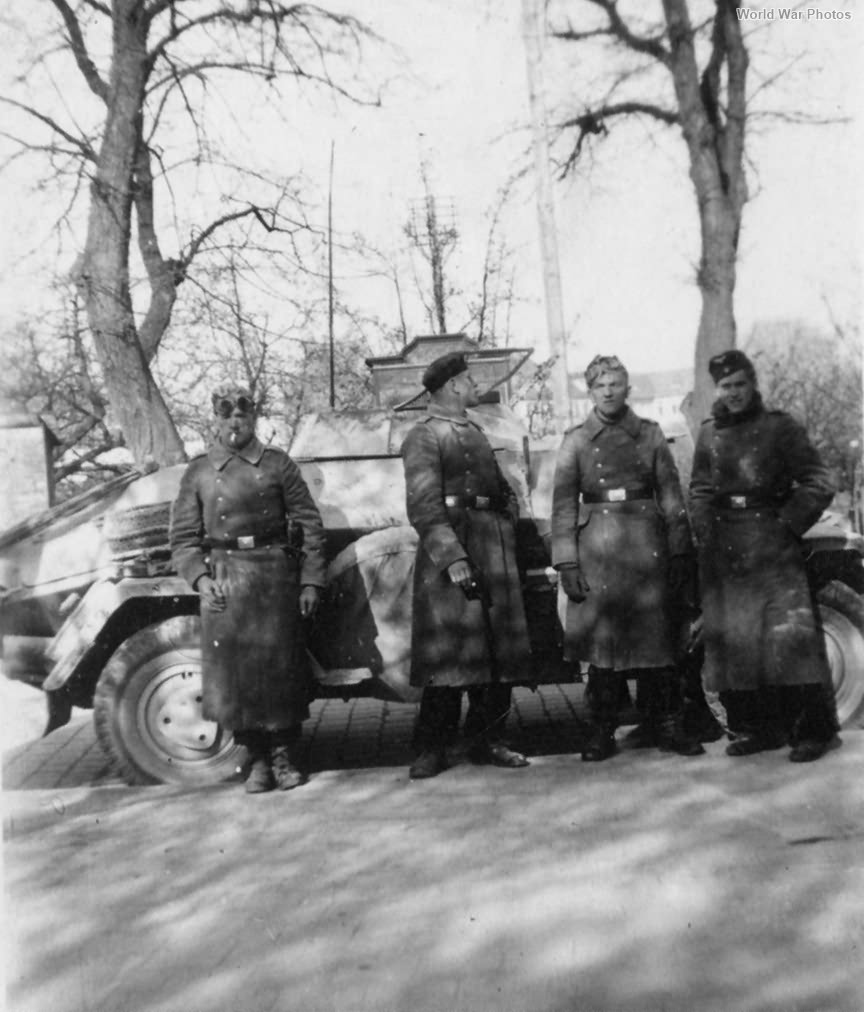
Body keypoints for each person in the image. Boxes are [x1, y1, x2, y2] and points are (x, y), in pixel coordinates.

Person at [170, 386, 326, 793]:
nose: (234, 422)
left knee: (280, 671)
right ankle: (256, 759)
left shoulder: (277, 464)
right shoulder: (199, 471)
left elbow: (309, 523)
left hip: (273, 575)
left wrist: (310, 580)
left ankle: (283, 757)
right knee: (237, 675)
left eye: (242, 414)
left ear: (253, 417)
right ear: (215, 420)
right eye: (226, 415)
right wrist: (201, 581)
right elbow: (183, 538)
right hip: (224, 578)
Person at [688, 349, 840, 762]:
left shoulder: (780, 428)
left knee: (787, 641)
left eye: (740, 384)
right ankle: (757, 728)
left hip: (772, 544)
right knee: (737, 641)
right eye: (725, 386)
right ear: (715, 389)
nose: (733, 394)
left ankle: (812, 731)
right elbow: (700, 489)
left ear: (752, 384)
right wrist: (705, 530)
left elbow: (819, 480)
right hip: (726, 549)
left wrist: (786, 523)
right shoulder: (708, 434)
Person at [551, 354, 703, 761]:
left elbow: (671, 497)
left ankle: (669, 725)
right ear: (590, 391)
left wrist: (680, 552)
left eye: (615, 383)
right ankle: (602, 731)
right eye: (600, 385)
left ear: (627, 388)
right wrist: (566, 561)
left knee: (659, 643)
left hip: (645, 546)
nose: (608, 391)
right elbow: (564, 504)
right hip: (598, 549)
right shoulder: (576, 440)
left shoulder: (651, 436)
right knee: (604, 649)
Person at [401, 351, 532, 779]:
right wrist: (453, 556)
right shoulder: (424, 436)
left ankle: (488, 739)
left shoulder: (474, 431)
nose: (475, 386)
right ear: (453, 385)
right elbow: (423, 505)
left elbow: (502, 488)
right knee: (449, 654)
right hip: (455, 547)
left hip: (492, 545)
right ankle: (432, 747)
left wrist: (506, 521)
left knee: (496, 651)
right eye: (469, 380)